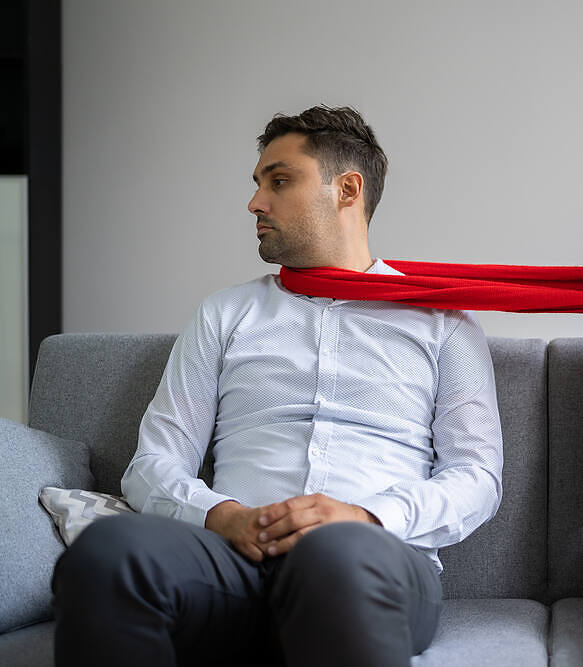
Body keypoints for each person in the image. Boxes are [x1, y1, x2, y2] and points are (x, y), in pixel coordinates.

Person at [51, 105, 504, 667]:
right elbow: (151, 465)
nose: (255, 203)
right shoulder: (225, 313)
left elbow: (477, 477)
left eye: (280, 181)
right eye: (258, 183)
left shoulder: (443, 320)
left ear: (347, 190)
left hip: (373, 562)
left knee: (334, 557)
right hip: (232, 561)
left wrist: (366, 519)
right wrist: (223, 516)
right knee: (107, 552)